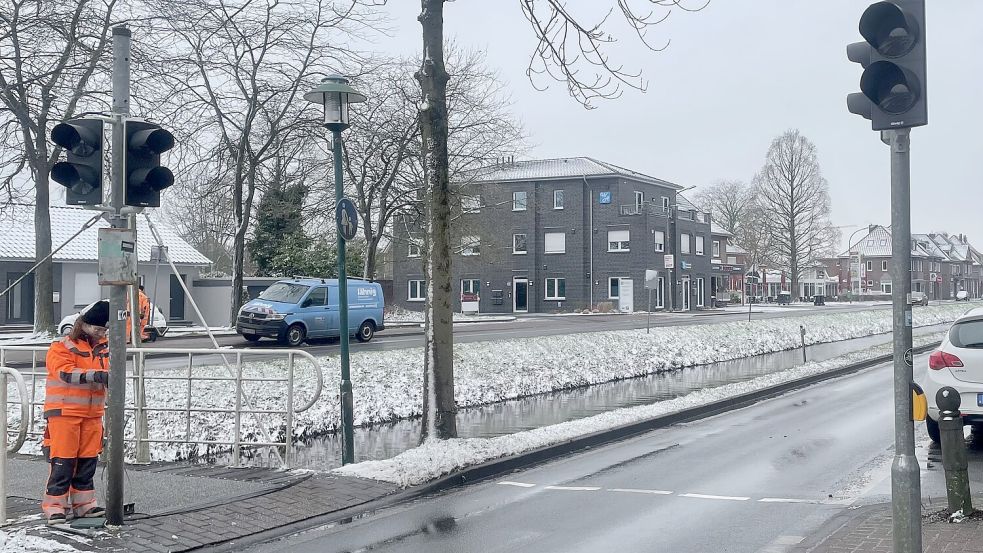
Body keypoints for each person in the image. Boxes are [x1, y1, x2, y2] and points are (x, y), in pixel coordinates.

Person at [42, 300, 110, 525]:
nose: (101, 333)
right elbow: (65, 373)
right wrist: (97, 376)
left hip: (92, 413)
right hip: (64, 412)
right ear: (85, 325)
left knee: (87, 461)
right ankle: (55, 507)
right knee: (64, 461)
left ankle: (84, 505)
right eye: (98, 329)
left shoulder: (104, 348)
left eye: (104, 330)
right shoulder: (62, 346)